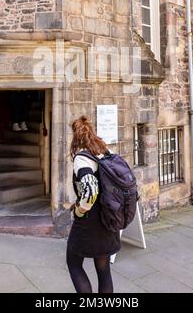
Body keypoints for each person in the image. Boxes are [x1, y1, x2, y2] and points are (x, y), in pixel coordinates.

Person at [66, 115, 121, 293]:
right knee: (104, 269)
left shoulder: (82, 158)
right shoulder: (105, 151)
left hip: (89, 223)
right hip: (109, 218)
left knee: (73, 263)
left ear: (76, 135)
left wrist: (81, 210)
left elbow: (90, 190)